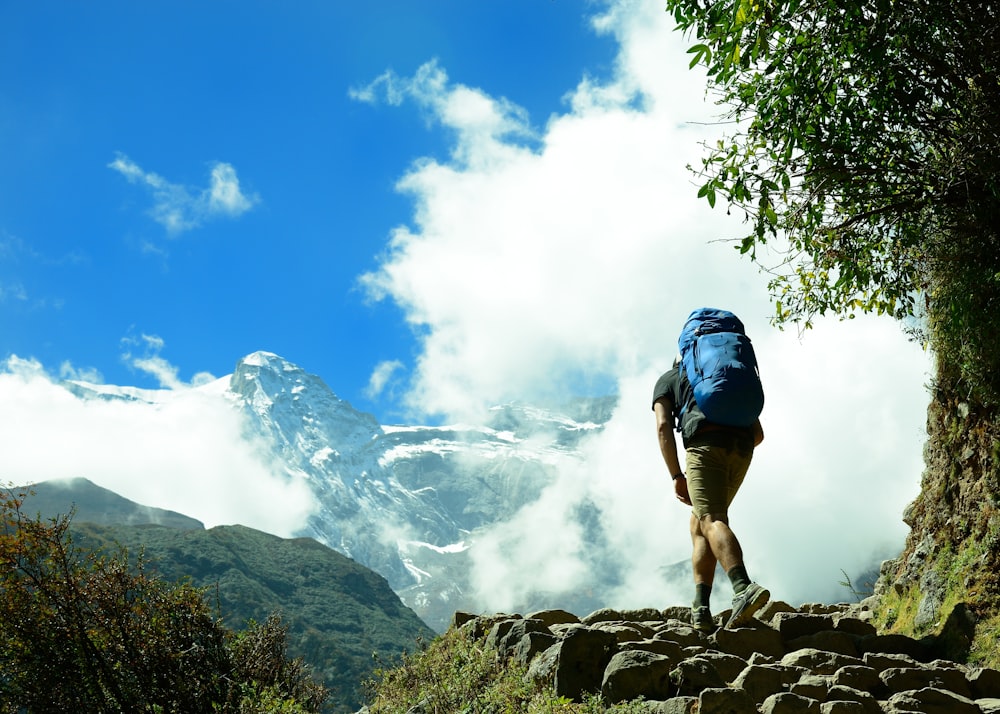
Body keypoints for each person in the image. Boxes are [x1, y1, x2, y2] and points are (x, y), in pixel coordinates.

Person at [652, 356, 768, 631]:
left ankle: (743, 588)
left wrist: (677, 476)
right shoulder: (726, 373)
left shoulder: (668, 380)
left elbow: (662, 426)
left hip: (705, 445)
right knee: (698, 521)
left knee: (710, 519)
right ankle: (700, 608)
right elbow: (759, 434)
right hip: (742, 446)